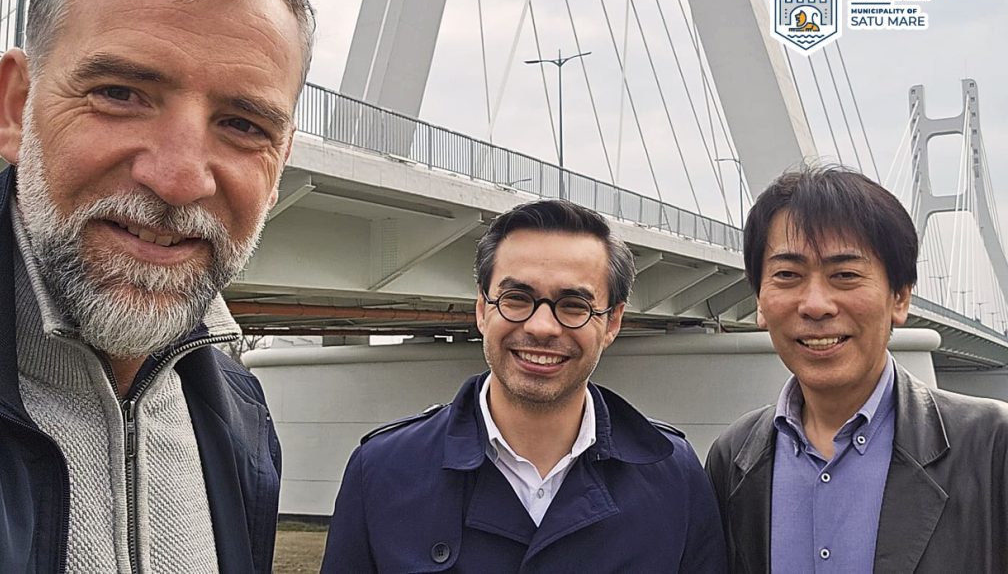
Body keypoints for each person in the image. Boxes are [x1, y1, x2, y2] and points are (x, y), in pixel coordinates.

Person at [0, 0, 314, 572]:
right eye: (119, 93)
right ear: (16, 108)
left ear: (279, 166)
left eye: (244, 125)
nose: (179, 179)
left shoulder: (239, 414)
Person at [322, 199, 725, 572]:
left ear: (612, 323)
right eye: (516, 298)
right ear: (482, 310)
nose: (542, 327)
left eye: (574, 305)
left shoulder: (673, 476)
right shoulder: (382, 472)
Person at [706, 166, 1008, 573]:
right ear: (760, 300)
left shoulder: (991, 447)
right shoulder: (734, 457)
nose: (816, 305)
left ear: (900, 298)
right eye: (787, 275)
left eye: (845, 275)